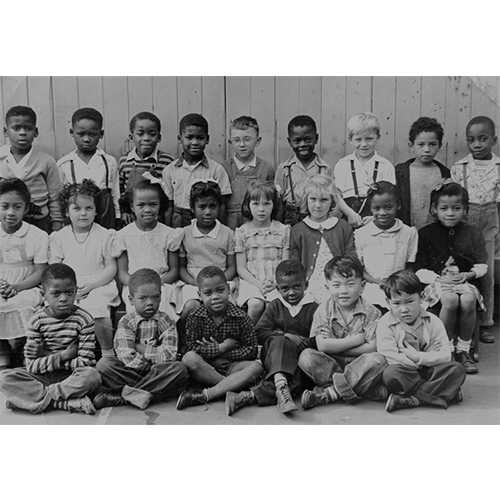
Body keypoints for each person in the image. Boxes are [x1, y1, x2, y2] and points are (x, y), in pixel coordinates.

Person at [0, 263, 101, 414]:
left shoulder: (84, 319)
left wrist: (45, 355)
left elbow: (85, 362)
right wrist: (64, 355)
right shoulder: (36, 320)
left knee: (92, 376)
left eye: (69, 292)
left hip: (71, 377)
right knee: (4, 378)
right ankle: (63, 404)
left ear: (76, 291)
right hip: (42, 376)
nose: (63, 298)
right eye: (56, 293)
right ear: (44, 292)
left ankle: (37, 399)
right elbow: (31, 367)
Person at [225, 260, 319, 416]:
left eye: (297, 286)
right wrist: (283, 337)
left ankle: (246, 396)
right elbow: (260, 332)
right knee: (280, 341)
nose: (291, 293)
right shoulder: (275, 305)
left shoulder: (314, 308)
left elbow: (317, 339)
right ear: (278, 289)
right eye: (285, 288)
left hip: (297, 359)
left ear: (306, 285)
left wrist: (298, 341)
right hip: (273, 355)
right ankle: (280, 384)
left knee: (297, 381)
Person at [415, 181, 487, 374]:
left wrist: (468, 274)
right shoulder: (425, 233)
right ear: (434, 210)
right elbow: (419, 269)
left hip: (465, 281)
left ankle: (463, 350)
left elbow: (482, 265)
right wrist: (439, 279)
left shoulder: (473, 233)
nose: (450, 213)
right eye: (444, 208)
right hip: (436, 282)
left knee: (468, 299)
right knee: (450, 299)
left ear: (465, 210)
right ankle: (445, 348)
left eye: (456, 208)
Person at [297, 256, 387, 410]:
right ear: (327, 287)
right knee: (306, 357)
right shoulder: (323, 310)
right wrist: (357, 340)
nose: (343, 291)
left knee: (378, 360)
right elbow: (323, 346)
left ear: (363, 286)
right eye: (336, 285)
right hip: (332, 364)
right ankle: (358, 388)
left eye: (350, 284)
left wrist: (336, 346)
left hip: (360, 364)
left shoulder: (373, 312)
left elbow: (372, 348)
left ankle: (329, 393)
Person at [94, 268, 189, 410]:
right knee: (104, 365)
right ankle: (150, 393)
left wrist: (140, 348)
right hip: (132, 371)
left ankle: (123, 397)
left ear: (161, 296)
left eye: (155, 297)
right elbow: (126, 355)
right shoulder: (126, 321)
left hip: (157, 371)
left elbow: (169, 356)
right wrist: (152, 357)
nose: (150, 303)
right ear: (131, 300)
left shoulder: (166, 321)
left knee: (180, 370)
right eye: (143, 298)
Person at [376, 269, 466, 413]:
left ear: (422, 297)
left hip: (431, 369)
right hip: (406, 371)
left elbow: (445, 355)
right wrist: (421, 362)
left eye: (410, 301)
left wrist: (419, 358)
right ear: (388, 302)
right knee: (390, 374)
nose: (404, 309)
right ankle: (445, 393)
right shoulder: (385, 323)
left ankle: (412, 399)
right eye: (397, 303)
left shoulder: (433, 321)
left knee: (457, 369)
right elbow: (390, 355)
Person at [49, 180, 119, 358]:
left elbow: (111, 267)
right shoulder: (59, 237)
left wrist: (92, 285)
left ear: (96, 211)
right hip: (68, 285)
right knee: (60, 307)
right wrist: (70, 288)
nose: (83, 213)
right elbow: (55, 269)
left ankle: (107, 352)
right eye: (77, 208)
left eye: (88, 208)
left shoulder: (105, 235)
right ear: (67, 211)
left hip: (99, 283)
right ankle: (66, 353)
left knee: (97, 307)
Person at [176, 266, 263, 410]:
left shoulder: (241, 317)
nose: (215, 296)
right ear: (200, 294)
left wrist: (226, 354)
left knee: (257, 367)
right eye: (208, 293)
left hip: (232, 366)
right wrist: (221, 348)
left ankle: (209, 393)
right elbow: (192, 347)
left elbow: (251, 349)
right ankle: (230, 388)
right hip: (206, 367)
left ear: (228, 289)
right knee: (189, 358)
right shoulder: (195, 317)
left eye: (220, 290)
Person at [451, 116, 500, 344]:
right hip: (465, 223)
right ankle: (465, 321)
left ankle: (486, 322)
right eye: (472, 140)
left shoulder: (498, 167)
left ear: (494, 140)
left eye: (483, 139)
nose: (477, 144)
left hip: (489, 224)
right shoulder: (459, 167)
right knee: (464, 269)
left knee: (487, 273)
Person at [274, 115, 361, 226]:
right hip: (290, 221)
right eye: (297, 140)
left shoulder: (324, 168)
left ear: (316, 138)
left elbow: (334, 197)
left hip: (318, 220)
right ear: (290, 141)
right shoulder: (284, 169)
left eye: (307, 139)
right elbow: (277, 201)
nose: (303, 144)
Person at [114, 179, 181, 320]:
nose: (147, 209)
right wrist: (137, 285)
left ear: (160, 205)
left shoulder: (169, 234)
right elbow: (122, 273)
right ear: (132, 206)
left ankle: (166, 340)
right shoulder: (123, 235)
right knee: (137, 313)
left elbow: (174, 271)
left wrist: (156, 284)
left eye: (153, 204)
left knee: (164, 312)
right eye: (141, 205)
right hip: (134, 287)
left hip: (163, 284)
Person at [0, 178, 48, 369]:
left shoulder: (37, 235)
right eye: (4, 206)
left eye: (17, 207)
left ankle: (22, 349)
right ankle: (2, 350)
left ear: (26, 209)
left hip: (26, 285)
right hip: (2, 285)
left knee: (25, 303)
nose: (10, 212)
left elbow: (40, 271)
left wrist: (16, 287)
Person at [290, 174, 356, 304]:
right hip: (310, 282)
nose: (318, 205)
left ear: (332, 201)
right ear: (306, 200)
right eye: (313, 199)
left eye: (324, 200)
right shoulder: (298, 230)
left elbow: (351, 257)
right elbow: (294, 263)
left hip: (339, 280)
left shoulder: (342, 227)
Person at [176, 181, 236, 321]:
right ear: (192, 208)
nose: (208, 212)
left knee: (227, 306)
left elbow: (232, 267)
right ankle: (183, 337)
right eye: (202, 207)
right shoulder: (185, 233)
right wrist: (195, 283)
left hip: (221, 281)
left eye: (212, 206)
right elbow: (181, 269)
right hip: (193, 282)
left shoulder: (227, 233)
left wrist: (218, 283)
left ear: (219, 207)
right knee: (192, 305)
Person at [354, 181, 418, 308]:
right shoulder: (361, 234)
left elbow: (409, 266)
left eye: (388, 207)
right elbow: (360, 270)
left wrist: (398, 283)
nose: (382, 213)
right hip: (372, 286)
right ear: (370, 208)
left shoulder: (408, 233)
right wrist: (378, 282)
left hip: (400, 287)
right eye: (377, 208)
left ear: (398, 205)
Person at [0, 106, 63, 232]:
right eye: (16, 128)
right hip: (6, 219)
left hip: (38, 220)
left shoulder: (46, 161)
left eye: (28, 128)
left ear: (36, 132)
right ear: (6, 131)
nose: (22, 132)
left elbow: (55, 196)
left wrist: (56, 221)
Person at [162, 113, 232, 228]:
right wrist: (168, 231)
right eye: (189, 137)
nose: (194, 142)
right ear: (180, 139)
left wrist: (220, 230)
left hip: (206, 220)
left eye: (200, 138)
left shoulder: (216, 169)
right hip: (179, 221)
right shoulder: (170, 170)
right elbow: (168, 206)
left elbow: (222, 205)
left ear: (207, 139)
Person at [234, 181, 290, 323]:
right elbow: (240, 268)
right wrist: (259, 285)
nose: (261, 209)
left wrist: (275, 283)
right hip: (251, 281)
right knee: (255, 304)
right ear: (248, 205)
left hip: (276, 281)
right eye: (255, 204)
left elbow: (285, 264)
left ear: (274, 205)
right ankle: (249, 337)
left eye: (266, 204)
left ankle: (267, 338)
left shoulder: (283, 231)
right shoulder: (242, 232)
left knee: (275, 305)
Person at [57, 107, 120, 229]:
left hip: (105, 215)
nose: (86, 139)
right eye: (81, 134)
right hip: (78, 216)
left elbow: (115, 193)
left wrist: (117, 217)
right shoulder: (64, 164)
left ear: (101, 134)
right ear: (72, 133)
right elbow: (60, 198)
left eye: (92, 134)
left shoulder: (109, 161)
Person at [334, 113, 395, 217]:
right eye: (358, 139)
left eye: (369, 139)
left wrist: (374, 219)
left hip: (378, 217)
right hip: (348, 215)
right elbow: (337, 196)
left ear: (378, 137)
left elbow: (390, 198)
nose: (364, 144)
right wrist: (350, 215)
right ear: (350, 139)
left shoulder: (386, 166)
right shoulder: (342, 165)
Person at [119, 111, 173, 225]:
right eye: (140, 133)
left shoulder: (167, 162)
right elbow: (120, 191)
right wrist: (124, 212)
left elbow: (169, 195)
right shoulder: (124, 162)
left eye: (152, 134)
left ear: (159, 137)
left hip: (157, 218)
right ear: (131, 137)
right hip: (131, 219)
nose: (146, 138)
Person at [395, 117, 450, 228]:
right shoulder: (400, 172)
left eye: (432, 144)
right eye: (421, 144)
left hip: (435, 233)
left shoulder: (445, 173)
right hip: (407, 231)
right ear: (411, 146)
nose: (427, 149)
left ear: (439, 146)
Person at [225, 115, 275, 229]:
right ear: (230, 142)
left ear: (258, 141)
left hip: (259, 224)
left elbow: (272, 201)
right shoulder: (223, 168)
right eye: (236, 140)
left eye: (247, 139)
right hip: (231, 224)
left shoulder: (266, 168)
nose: (242, 144)